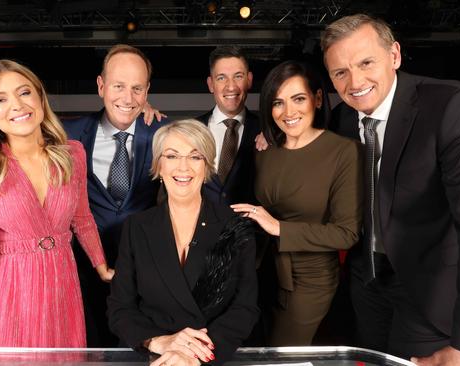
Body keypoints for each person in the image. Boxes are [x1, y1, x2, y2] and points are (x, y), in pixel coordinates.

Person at [322, 14, 460, 364]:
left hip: (431, 291)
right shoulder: (343, 119)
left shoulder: (453, 106)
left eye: (366, 63)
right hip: (368, 285)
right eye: (340, 72)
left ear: (395, 55)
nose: (355, 81)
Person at [0, 59, 114, 362]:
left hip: (63, 285)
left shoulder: (73, 154)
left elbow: (82, 218)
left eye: (24, 92)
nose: (16, 105)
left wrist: (100, 265)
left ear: (39, 97)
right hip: (11, 289)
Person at [231, 60, 363, 345]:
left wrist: (279, 227)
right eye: (278, 103)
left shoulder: (344, 151)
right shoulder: (266, 149)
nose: (288, 112)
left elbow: (347, 233)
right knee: (257, 352)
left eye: (298, 99)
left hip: (310, 281)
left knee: (282, 357)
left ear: (317, 99)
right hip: (263, 273)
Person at [107, 119, 259, 366]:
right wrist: (157, 341)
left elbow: (245, 308)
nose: (183, 167)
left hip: (210, 358)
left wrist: (193, 354)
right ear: (159, 165)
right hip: (154, 358)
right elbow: (119, 308)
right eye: (172, 156)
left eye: (195, 157)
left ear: (208, 165)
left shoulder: (235, 225)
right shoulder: (137, 227)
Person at [63, 44, 168, 346]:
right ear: (101, 86)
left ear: (147, 91)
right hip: (81, 269)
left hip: (141, 273)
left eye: (137, 88)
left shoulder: (162, 132)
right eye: (119, 86)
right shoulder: (67, 135)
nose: (128, 97)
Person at [196, 46, 261, 205]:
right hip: (199, 228)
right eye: (221, 78)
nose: (231, 86)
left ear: (249, 80)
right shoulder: (192, 129)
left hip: (250, 228)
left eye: (238, 76)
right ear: (211, 84)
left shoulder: (266, 130)